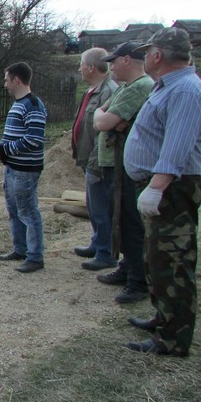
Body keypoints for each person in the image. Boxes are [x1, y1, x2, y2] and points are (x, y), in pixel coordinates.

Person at [123, 27, 201, 356]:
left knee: (173, 261)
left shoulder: (185, 90)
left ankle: (173, 338)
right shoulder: (168, 87)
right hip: (163, 185)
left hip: (172, 187)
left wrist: (157, 187)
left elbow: (177, 145)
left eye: (148, 51)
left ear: (158, 55)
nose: (145, 57)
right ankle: (163, 317)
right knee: (157, 257)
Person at [93, 41, 153, 304]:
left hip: (129, 165)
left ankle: (138, 281)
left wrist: (102, 115)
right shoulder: (126, 88)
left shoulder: (141, 87)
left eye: (114, 61)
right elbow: (105, 120)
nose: (111, 67)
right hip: (118, 162)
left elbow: (102, 121)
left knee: (130, 222)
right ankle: (128, 268)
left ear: (127, 60)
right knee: (119, 217)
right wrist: (106, 118)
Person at [0, 62, 47, 273]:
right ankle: (20, 249)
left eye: (6, 80)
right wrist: (2, 151)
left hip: (25, 170)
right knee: (14, 211)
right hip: (12, 168)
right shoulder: (18, 104)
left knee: (28, 211)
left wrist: (4, 149)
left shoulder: (32, 104)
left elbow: (34, 140)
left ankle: (35, 256)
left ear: (16, 80)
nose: (5, 85)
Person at [70, 48, 117, 268]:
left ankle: (106, 254)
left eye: (81, 64)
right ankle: (97, 243)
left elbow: (107, 132)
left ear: (90, 67)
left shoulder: (109, 91)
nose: (79, 68)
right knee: (93, 205)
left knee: (101, 208)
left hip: (99, 162)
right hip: (88, 159)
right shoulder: (93, 89)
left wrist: (95, 161)